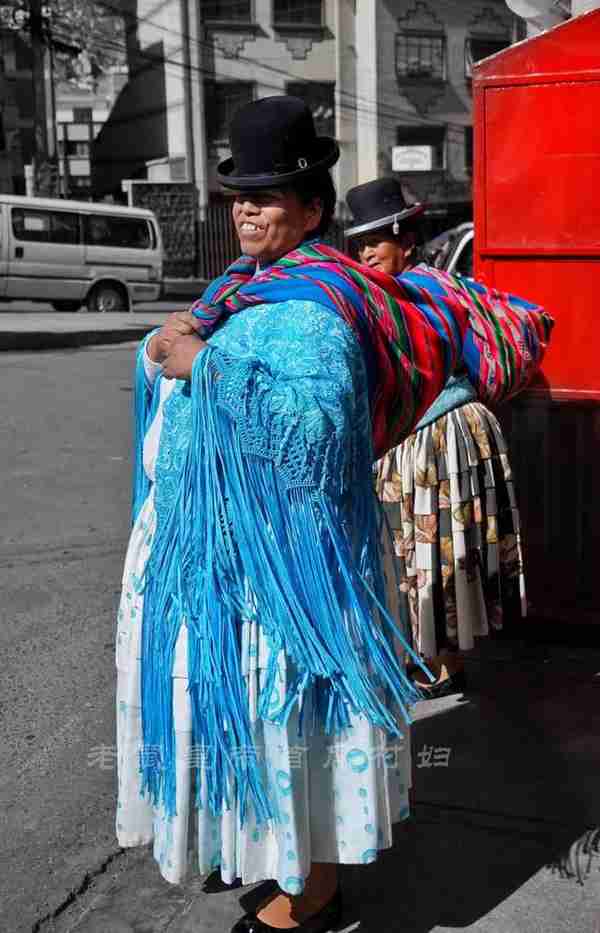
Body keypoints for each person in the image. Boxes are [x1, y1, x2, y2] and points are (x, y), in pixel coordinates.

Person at [115, 99, 551, 933]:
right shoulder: (244, 288)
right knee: (245, 720)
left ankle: (309, 893)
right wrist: (165, 349)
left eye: (269, 194)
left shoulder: (314, 308)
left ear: (314, 209)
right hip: (230, 564)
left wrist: (199, 363)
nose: (246, 206)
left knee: (295, 725)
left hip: (289, 577)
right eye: (239, 192)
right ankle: (265, 854)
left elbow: (311, 442)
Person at [346, 177, 531, 699]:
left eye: (376, 239)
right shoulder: (391, 292)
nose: (365, 251)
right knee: (412, 552)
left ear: (405, 240)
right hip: (417, 439)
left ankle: (443, 663)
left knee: (439, 553)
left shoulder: (421, 291)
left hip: (443, 437)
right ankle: (423, 656)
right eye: (359, 241)